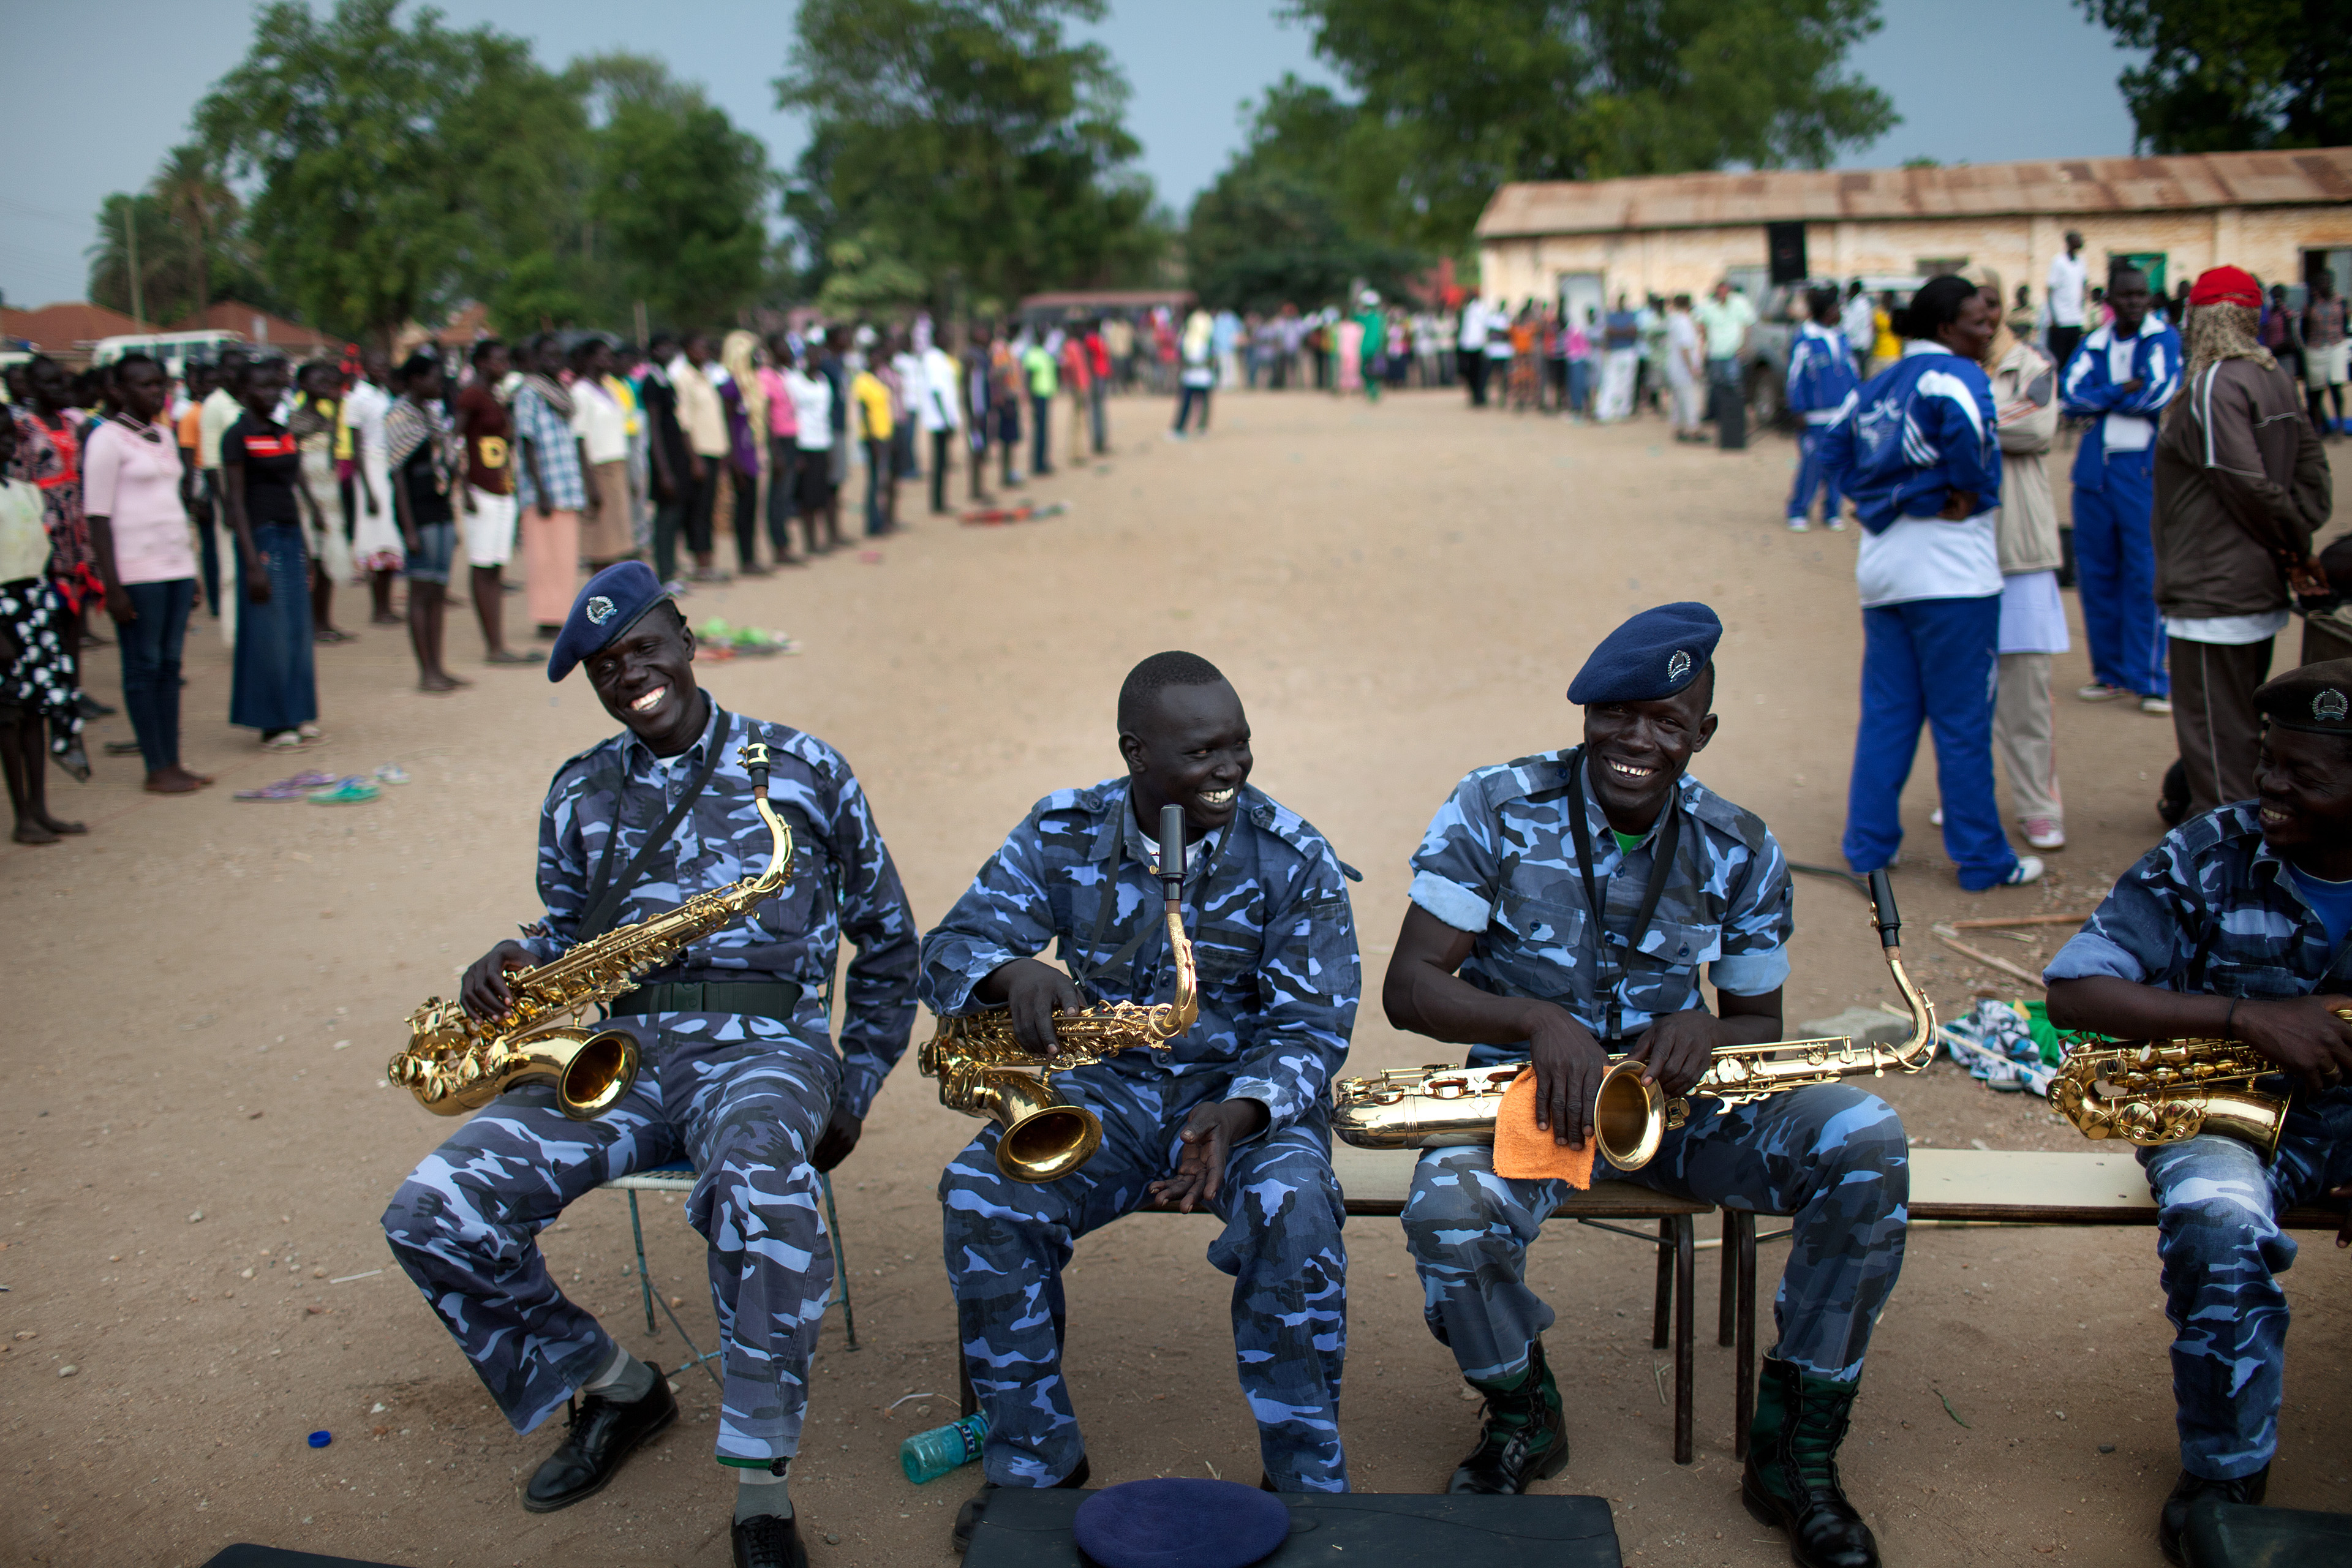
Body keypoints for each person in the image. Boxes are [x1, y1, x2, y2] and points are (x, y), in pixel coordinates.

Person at [381, 561, 919, 1568]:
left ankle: (761, 1490)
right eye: (603, 664)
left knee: (764, 1189)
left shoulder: (803, 767)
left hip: (767, 1052)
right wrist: (504, 962)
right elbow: (563, 930)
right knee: (433, 1207)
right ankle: (619, 1386)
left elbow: (889, 941)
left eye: (642, 646)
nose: (629, 674)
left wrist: (860, 1076)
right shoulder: (581, 789)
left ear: (687, 637)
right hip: (619, 1058)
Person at [1389, 603, 1904, 1568]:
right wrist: (1538, 1023)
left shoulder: (1739, 844)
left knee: (1865, 1135)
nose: (1638, 741)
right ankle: (1521, 1416)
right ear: (1586, 712)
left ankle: (1797, 1456)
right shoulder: (1495, 805)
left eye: (1668, 724)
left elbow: (1760, 1024)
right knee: (1447, 1210)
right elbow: (1410, 987)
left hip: (1682, 1114)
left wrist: (1709, 1027)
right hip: (1536, 1104)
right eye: (1619, 714)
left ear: (1701, 735)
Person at [923, 652, 1359, 1532]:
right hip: (1116, 1094)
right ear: (1136, 755)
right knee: (983, 1195)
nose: (1230, 767)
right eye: (1203, 753)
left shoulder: (1293, 853)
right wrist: (1012, 974)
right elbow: (951, 945)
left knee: (1294, 1204)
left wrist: (1237, 1116)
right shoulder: (1061, 830)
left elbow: (1312, 1029)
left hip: (1246, 1106)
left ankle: (1306, 1478)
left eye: (1239, 744)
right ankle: (1034, 1463)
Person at [2042, 658, 2352, 1566]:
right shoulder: (2215, 848)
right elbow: (2074, 990)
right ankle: (2228, 1469)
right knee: (2216, 1222)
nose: (2271, 788)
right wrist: (2246, 1016)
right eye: (2269, 762)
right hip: (2228, 1108)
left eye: (2305, 776)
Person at [1823, 274, 2042, 891]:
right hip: (1953, 576)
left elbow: (1831, 448)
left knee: (1888, 715)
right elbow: (1972, 435)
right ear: (1946, 327)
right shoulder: (1957, 375)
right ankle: (1982, 860)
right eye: (1979, 322)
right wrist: (1968, 490)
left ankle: (1868, 848)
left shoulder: (1874, 384)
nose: (1988, 332)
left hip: (1884, 570)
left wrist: (1875, 497)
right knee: (1963, 720)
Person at [2155, 265, 2334, 818]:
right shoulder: (2273, 376)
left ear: (2202, 318)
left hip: (2214, 592)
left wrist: (2288, 541)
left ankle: (2229, 874)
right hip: (2251, 584)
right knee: (2235, 728)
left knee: (2217, 743)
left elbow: (2243, 483)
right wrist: (2292, 540)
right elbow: (2313, 479)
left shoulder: (2215, 382)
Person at [1975, 272, 2070, 855]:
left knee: (2026, 692)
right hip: (1962, 555)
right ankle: (1971, 799)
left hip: (2021, 553)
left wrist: (1968, 417)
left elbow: (2037, 424)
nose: (1980, 318)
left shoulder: (2033, 366)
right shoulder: (1954, 369)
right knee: (1966, 692)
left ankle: (2039, 807)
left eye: (1988, 305)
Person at [85, 354, 206, 795]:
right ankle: (156, 765)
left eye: (161, 384)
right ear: (118, 391)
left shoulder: (163, 437)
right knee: (144, 665)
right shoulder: (106, 441)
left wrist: (191, 571)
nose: (158, 392)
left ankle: (172, 759)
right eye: (146, 385)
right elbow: (97, 519)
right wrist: (112, 587)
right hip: (136, 573)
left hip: (175, 566)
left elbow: (175, 507)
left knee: (170, 666)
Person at [2064, 266, 2184, 713]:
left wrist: (2106, 396)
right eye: (2125, 295)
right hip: (2093, 472)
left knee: (2145, 574)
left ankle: (2150, 679)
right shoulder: (2095, 341)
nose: (2134, 302)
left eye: (2141, 295)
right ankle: (2110, 674)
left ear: (2149, 297)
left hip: (2140, 472)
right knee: (2096, 575)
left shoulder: (2163, 339)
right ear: (2109, 298)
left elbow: (2158, 394)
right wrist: (2121, 389)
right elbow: (2070, 396)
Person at [219, 357, 325, 750]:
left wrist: (308, 549)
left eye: (276, 387)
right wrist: (250, 563)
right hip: (260, 537)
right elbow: (236, 502)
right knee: (270, 632)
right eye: (261, 388)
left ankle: (296, 712)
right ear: (245, 393)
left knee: (297, 629)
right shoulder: (237, 436)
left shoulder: (283, 433)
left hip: (290, 533)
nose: (271, 395)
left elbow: (293, 490)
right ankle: (271, 723)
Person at [0, 414, 88, 843]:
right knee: (9, 716)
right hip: (3, 615)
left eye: (10, 437)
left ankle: (40, 807)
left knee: (36, 710)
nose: (8, 445)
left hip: (33, 606)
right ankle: (22, 815)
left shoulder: (26, 492)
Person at [10, 356, 97, 768]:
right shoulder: (22, 429)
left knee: (75, 622)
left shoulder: (76, 423)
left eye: (59, 380)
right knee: (54, 620)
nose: (56, 388)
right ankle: (54, 707)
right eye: (46, 382)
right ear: (28, 385)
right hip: (41, 527)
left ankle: (73, 698)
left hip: (78, 529)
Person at [385, 351, 467, 695]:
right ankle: (426, 671)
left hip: (440, 506)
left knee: (437, 591)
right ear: (416, 380)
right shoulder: (399, 416)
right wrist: (408, 528)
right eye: (434, 378)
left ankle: (438, 665)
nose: (440, 384)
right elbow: (398, 477)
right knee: (420, 592)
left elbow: (447, 460)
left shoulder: (432, 415)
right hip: (417, 511)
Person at [453, 339, 532, 665]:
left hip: (502, 485)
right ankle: (493, 646)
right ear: (481, 363)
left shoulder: (497, 396)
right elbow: (454, 440)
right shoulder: (470, 395)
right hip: (480, 489)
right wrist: (463, 486)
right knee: (483, 566)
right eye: (497, 361)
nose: (504, 366)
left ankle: (498, 643)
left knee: (497, 566)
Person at [1782, 287, 1860, 530]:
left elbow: (1852, 372)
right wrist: (1798, 409)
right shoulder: (1805, 338)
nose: (1840, 313)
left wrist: (1856, 403)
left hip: (1841, 413)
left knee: (1838, 464)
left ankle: (1831, 511)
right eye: (1836, 308)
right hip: (1815, 416)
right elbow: (1795, 376)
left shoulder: (1840, 336)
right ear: (1826, 312)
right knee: (1812, 464)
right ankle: (1798, 510)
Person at [288, 361, 354, 644]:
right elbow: (296, 467)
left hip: (328, 491)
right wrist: (312, 505)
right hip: (309, 495)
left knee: (328, 559)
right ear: (303, 385)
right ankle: (312, 623)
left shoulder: (324, 415)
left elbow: (331, 450)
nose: (326, 388)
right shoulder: (297, 420)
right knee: (313, 560)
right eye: (319, 383)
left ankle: (325, 620)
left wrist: (338, 405)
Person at [342, 348, 403, 625]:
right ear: (364, 366)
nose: (380, 368)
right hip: (371, 468)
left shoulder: (385, 394)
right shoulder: (357, 399)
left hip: (389, 466)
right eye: (375, 363)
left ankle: (387, 605)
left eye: (384, 363)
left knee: (390, 539)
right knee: (376, 539)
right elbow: (356, 447)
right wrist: (367, 490)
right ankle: (378, 609)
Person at [570, 338, 638, 572]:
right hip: (598, 470)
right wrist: (590, 485)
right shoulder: (581, 392)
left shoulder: (609, 388)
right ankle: (599, 600)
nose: (608, 361)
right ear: (588, 359)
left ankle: (611, 596)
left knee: (617, 542)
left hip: (617, 465)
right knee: (601, 543)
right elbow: (579, 438)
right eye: (602, 356)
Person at [637, 333, 692, 592]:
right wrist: (664, 470)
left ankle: (672, 570)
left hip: (676, 454)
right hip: (664, 457)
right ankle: (663, 574)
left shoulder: (665, 379)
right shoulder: (651, 382)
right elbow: (654, 426)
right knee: (665, 518)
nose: (670, 351)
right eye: (664, 347)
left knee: (675, 515)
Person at [713, 330, 769, 578]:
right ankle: (745, 559)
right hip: (739, 457)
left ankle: (751, 557)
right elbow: (727, 426)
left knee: (752, 506)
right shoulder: (729, 387)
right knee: (743, 508)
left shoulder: (751, 384)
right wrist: (734, 461)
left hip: (750, 453)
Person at [781, 337, 840, 557]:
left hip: (823, 442)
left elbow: (826, 415)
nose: (815, 360)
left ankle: (825, 539)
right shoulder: (794, 381)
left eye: (818, 357)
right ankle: (810, 542)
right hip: (804, 443)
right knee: (807, 496)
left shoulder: (823, 381)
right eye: (811, 356)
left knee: (822, 494)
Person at [755, 334, 801, 565]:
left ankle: (785, 544)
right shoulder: (765, 377)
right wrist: (777, 452)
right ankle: (779, 546)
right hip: (779, 442)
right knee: (777, 496)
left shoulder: (782, 376)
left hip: (790, 438)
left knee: (786, 494)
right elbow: (766, 418)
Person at [1691, 281, 1755, 436]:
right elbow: (1700, 324)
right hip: (1716, 352)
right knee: (1717, 385)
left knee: (1733, 384)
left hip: (1733, 352)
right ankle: (1720, 416)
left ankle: (1737, 417)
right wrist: (1705, 341)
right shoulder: (1708, 306)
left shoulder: (1739, 303)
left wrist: (1744, 347)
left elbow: (1747, 324)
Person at [850, 350, 897, 537]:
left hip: (884, 435)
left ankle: (881, 519)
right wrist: (872, 439)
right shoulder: (862, 381)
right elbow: (863, 411)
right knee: (874, 481)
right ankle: (873, 523)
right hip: (873, 438)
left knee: (881, 480)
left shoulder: (878, 380)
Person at [919, 330, 963, 516]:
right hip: (939, 420)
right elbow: (937, 392)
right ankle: (937, 503)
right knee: (939, 462)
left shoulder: (941, 358)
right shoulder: (933, 359)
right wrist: (946, 419)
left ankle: (941, 500)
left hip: (943, 418)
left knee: (943, 461)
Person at [2304, 269, 2347, 438]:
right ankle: (2319, 427)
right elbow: (2305, 327)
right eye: (2321, 282)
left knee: (2336, 387)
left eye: (2327, 281)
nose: (2324, 285)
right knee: (2316, 391)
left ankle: (2340, 427)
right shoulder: (2312, 304)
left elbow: (2345, 324)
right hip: (2315, 349)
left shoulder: (2341, 302)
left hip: (2336, 346)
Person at [2046, 230, 2089, 376]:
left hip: (2075, 319)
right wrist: (2053, 318)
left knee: (2073, 358)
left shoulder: (2081, 263)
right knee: (2058, 358)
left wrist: (2083, 306)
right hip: (2060, 321)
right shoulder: (2059, 262)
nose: (2081, 241)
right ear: (2069, 242)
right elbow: (2050, 290)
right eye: (2078, 238)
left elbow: (2084, 285)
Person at [1664, 296, 1705, 442]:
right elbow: (1685, 347)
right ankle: (1694, 430)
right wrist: (1692, 368)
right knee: (1689, 400)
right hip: (1683, 369)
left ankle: (1679, 429)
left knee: (1677, 402)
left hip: (1674, 367)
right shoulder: (1684, 322)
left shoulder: (1673, 321)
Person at [1172, 307, 1215, 439]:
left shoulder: (1195, 340)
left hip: (1197, 376)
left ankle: (1197, 427)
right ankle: (1185, 428)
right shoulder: (1190, 340)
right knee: (1191, 403)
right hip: (1194, 376)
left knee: (1195, 404)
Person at [1022, 330, 1058, 475]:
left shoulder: (1044, 353)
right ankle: (1038, 465)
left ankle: (1043, 461)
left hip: (1045, 394)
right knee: (1040, 432)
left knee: (1045, 431)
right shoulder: (1033, 354)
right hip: (1038, 396)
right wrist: (1030, 400)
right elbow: (1029, 377)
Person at [1458, 296, 1491, 406]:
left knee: (1475, 374)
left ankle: (1478, 397)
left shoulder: (1474, 309)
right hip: (1471, 346)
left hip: (1473, 346)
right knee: (1475, 374)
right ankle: (1478, 396)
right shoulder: (1469, 309)